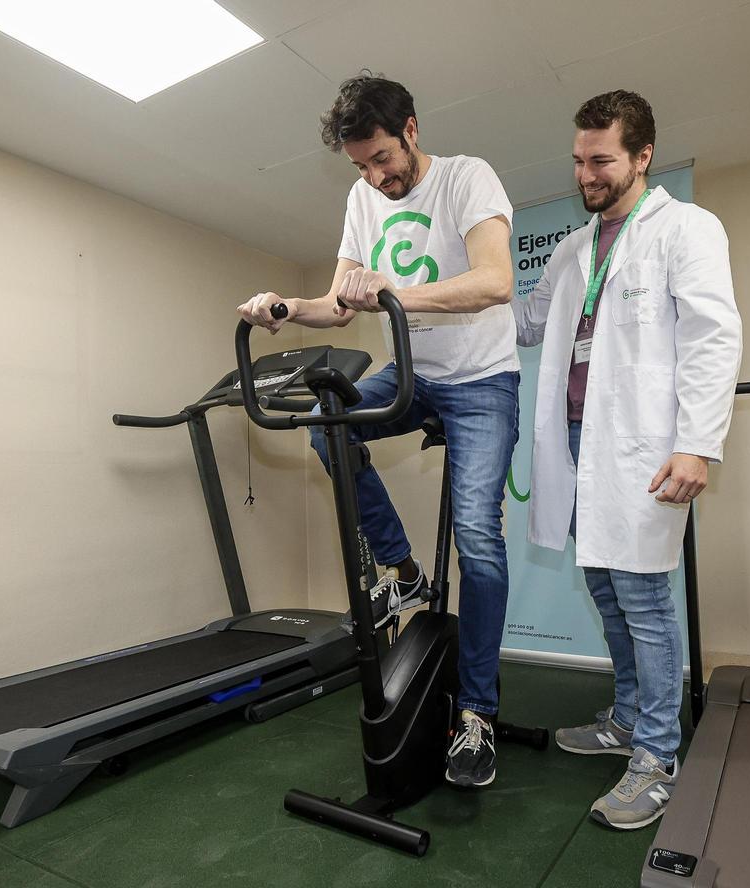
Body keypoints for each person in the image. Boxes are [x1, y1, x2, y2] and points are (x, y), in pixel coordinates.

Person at [237, 72, 519, 788]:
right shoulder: (363, 199)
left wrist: (394, 293)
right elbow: (338, 305)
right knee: (327, 425)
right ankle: (401, 571)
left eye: (383, 159)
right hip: (413, 376)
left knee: (480, 541)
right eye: (361, 165)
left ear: (412, 131)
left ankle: (477, 716)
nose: (375, 176)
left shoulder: (467, 179)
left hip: (483, 382)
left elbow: (494, 281)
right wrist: (284, 307)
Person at [513, 89, 742, 828]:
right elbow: (529, 319)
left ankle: (657, 755)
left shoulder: (686, 229)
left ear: (643, 157)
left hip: (645, 445)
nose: (587, 174)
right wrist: (448, 290)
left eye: (601, 160)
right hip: (579, 445)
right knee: (606, 593)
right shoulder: (576, 249)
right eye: (579, 161)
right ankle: (628, 718)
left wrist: (697, 444)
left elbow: (713, 336)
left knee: (643, 599)